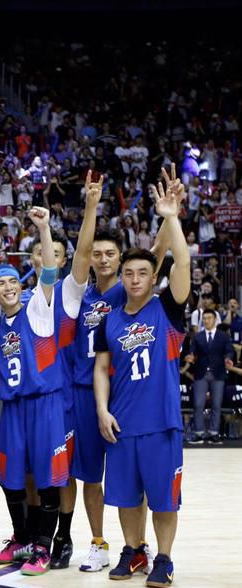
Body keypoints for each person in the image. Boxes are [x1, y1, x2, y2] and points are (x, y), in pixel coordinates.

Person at [93, 169, 190, 588]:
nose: (134, 279)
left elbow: (182, 260)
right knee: (126, 498)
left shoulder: (168, 309)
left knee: (164, 500)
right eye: (128, 274)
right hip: (122, 422)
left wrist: (171, 218)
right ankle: (134, 552)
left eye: (142, 273)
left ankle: (164, 559)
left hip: (162, 422)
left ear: (154, 278)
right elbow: (100, 368)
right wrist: (101, 410)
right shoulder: (109, 319)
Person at [0, 206, 83, 576]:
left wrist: (44, 228)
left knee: (47, 478)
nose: (9, 288)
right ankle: (22, 539)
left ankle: (43, 547)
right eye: (1, 284)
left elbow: (49, 271)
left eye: (13, 281)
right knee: (12, 478)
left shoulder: (37, 308)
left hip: (44, 403)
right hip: (12, 406)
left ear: (21, 285)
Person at [187, 308, 235, 444]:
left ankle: (214, 433)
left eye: (209, 318)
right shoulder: (197, 336)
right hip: (201, 373)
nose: (206, 320)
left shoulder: (223, 336)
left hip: (218, 372)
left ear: (215, 319)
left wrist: (228, 358)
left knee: (216, 404)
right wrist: (190, 357)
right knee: (198, 404)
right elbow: (192, 352)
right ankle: (199, 432)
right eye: (204, 318)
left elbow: (230, 351)